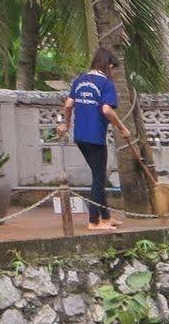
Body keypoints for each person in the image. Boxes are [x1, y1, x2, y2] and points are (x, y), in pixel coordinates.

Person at [56, 48, 135, 230]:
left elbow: (68, 105)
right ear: (108, 65)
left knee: (98, 175)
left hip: (80, 137)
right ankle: (94, 221)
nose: (113, 72)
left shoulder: (80, 80)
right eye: (113, 68)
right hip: (95, 137)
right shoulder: (105, 83)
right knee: (99, 177)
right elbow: (107, 110)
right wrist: (122, 127)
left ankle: (106, 217)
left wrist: (67, 125)